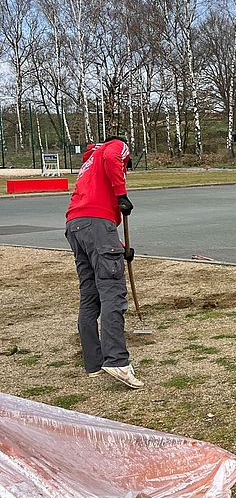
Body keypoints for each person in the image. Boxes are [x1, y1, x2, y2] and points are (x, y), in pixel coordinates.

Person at [64, 136, 144, 388]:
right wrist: (122, 195)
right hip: (96, 224)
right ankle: (117, 361)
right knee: (112, 293)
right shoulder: (115, 147)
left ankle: (94, 362)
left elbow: (93, 220)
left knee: (90, 295)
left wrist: (119, 249)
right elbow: (113, 157)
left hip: (75, 225)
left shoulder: (89, 162)